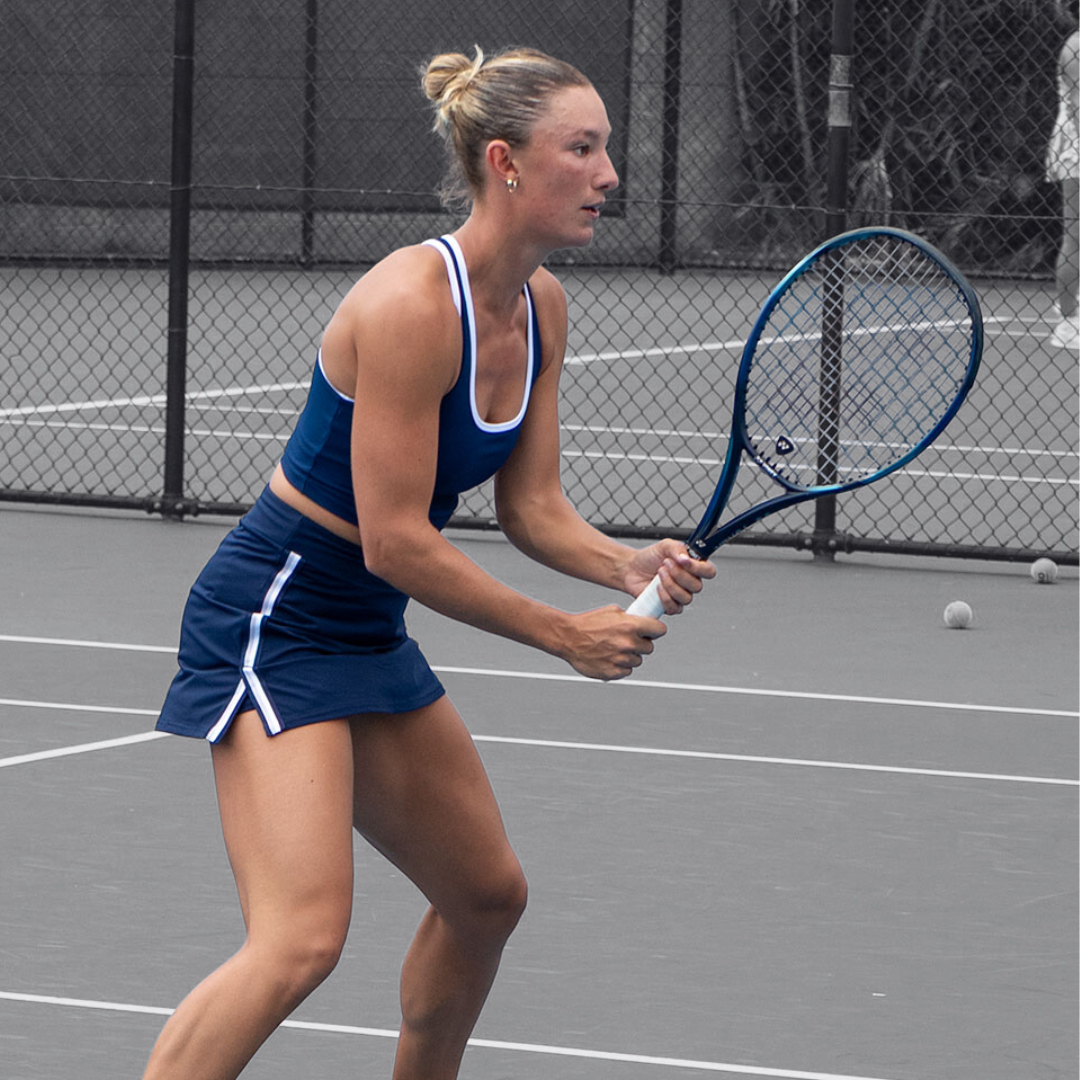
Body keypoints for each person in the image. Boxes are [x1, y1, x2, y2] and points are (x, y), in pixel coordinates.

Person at [142, 46, 714, 1080]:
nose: (608, 176)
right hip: (277, 616)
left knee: (487, 896)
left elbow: (532, 507)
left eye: (606, 150)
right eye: (581, 150)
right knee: (300, 941)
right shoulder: (411, 304)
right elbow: (395, 538)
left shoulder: (541, 308)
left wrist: (625, 561)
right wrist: (563, 633)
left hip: (363, 626)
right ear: (504, 161)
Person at [1047, 25, 1080, 348]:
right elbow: (1078, 108)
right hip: (1077, 150)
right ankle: (1068, 323)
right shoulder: (1076, 48)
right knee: (1075, 236)